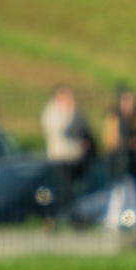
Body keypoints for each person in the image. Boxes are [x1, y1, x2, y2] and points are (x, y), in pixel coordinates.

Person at [40, 85, 93, 218]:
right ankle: (71, 217)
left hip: (76, 156)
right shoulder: (52, 112)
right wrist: (69, 113)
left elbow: (84, 128)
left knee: (77, 188)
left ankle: (68, 215)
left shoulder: (77, 111)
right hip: (60, 157)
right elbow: (62, 131)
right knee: (65, 188)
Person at [102, 89, 136, 180]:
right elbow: (111, 142)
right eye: (125, 101)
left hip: (135, 160)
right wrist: (129, 143)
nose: (128, 105)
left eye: (130, 101)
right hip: (118, 160)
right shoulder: (113, 118)